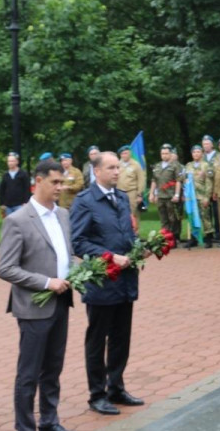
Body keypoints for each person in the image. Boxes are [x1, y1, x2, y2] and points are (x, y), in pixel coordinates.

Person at [0, 158, 74, 431]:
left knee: (53, 368)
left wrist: (77, 272)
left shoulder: (63, 215)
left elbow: (65, 254)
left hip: (61, 302)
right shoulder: (17, 220)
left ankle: (49, 421)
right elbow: (6, 268)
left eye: (62, 182)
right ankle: (25, 426)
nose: (60, 187)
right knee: (29, 373)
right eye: (55, 182)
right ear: (38, 181)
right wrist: (46, 282)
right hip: (33, 306)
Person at [70, 151, 146, 415]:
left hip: (125, 281)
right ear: (97, 171)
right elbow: (78, 242)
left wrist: (140, 249)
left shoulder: (122, 197)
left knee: (121, 338)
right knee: (97, 340)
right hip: (102, 282)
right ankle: (97, 394)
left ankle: (116, 387)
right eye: (111, 168)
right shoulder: (85, 201)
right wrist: (110, 256)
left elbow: (127, 234)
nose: (117, 172)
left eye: (118, 167)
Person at [148, 144, 183, 245]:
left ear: (170, 154)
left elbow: (178, 181)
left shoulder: (175, 166)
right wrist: (152, 193)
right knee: (163, 219)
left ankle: (173, 239)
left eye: (166, 153)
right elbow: (154, 181)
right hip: (160, 196)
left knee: (173, 219)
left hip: (170, 196)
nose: (164, 155)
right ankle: (165, 238)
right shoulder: (157, 166)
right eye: (162, 153)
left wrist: (177, 194)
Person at [185, 145, 215, 247]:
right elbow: (185, 180)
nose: (196, 154)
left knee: (205, 217)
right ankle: (194, 238)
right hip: (191, 197)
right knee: (192, 218)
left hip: (201, 196)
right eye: (194, 152)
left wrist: (207, 197)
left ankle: (209, 238)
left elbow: (209, 183)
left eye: (198, 152)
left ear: (202, 153)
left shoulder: (206, 165)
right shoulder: (188, 166)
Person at [117, 145, 147, 221]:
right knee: (120, 212)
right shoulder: (117, 164)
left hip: (132, 192)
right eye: (122, 153)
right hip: (119, 192)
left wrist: (139, 194)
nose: (124, 155)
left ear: (130, 153)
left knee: (133, 213)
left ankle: (135, 228)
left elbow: (141, 180)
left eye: (126, 153)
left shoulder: (136, 164)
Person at [0, 152, 32, 218]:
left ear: (17, 162)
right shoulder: (5, 175)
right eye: (9, 161)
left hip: (20, 204)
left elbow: (27, 188)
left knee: (20, 221)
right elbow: (2, 190)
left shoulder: (23, 174)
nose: (10, 163)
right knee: (9, 222)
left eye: (12, 161)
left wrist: (26, 202)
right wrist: (2, 203)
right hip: (8, 205)